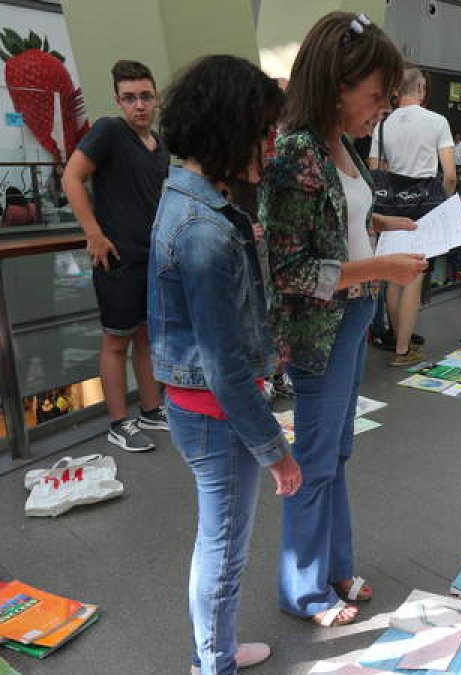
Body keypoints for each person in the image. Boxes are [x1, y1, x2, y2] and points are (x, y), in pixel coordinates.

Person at [262, 11, 426, 628]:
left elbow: (339, 219)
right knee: (317, 458)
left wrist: (383, 226)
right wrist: (377, 270)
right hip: (321, 327)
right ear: (338, 84)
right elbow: (290, 268)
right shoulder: (296, 151)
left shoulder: (343, 144)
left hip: (351, 319)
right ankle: (301, 588)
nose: (382, 108)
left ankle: (333, 567)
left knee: (338, 451)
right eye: (377, 96)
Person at [148, 54, 302, 675]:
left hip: (200, 409)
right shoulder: (204, 229)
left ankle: (216, 649)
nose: (270, 144)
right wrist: (276, 451)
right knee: (224, 547)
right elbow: (223, 366)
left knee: (219, 540)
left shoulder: (192, 201)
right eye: (264, 130)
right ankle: (213, 662)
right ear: (230, 129)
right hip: (215, 415)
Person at [62, 60, 169, 452]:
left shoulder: (159, 145)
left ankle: (151, 410)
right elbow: (71, 177)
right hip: (117, 260)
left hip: (151, 259)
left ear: (156, 97)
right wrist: (94, 234)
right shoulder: (108, 131)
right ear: (118, 101)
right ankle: (118, 422)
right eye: (129, 98)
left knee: (145, 337)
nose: (138, 105)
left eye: (145, 96)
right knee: (115, 342)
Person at [368, 67, 457, 367]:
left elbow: (373, 168)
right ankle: (403, 350)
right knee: (416, 276)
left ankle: (398, 337)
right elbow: (451, 176)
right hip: (423, 207)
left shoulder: (382, 124)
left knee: (395, 276)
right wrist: (440, 207)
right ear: (420, 89)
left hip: (390, 206)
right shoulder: (437, 121)